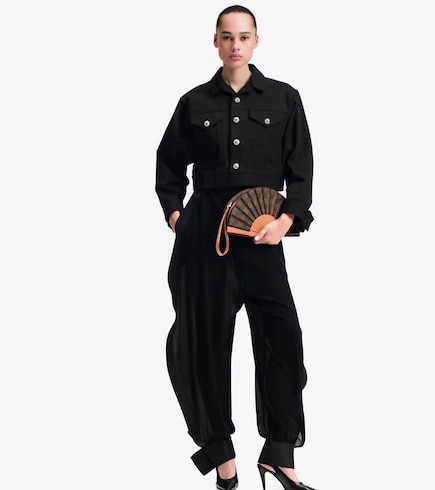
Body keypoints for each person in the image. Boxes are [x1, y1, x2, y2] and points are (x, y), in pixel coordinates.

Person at [155, 5, 316, 490]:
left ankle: (280, 455)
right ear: (215, 41)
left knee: (283, 339)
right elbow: (168, 163)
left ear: (256, 41)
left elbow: (301, 170)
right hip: (204, 236)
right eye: (227, 36)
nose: (235, 45)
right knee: (200, 344)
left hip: (263, 236)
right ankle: (223, 461)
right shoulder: (193, 102)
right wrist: (177, 215)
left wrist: (286, 220)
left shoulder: (285, 98)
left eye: (244, 36)